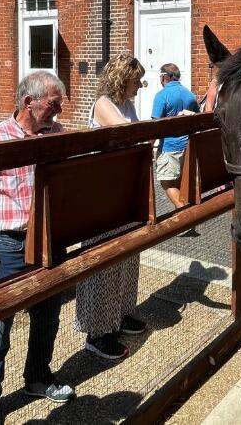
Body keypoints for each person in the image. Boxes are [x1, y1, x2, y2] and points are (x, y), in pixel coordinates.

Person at [0, 71, 74, 425]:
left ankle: (37, 378)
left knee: (47, 316)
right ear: (29, 102)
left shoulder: (57, 135)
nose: (57, 111)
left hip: (49, 240)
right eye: (53, 104)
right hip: (7, 245)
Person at [75, 52, 147, 360]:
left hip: (124, 190)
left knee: (128, 256)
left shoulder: (128, 104)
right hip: (101, 194)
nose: (140, 86)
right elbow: (130, 133)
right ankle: (97, 331)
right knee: (101, 262)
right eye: (136, 81)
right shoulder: (104, 104)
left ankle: (121, 313)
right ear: (122, 79)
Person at [151, 63, 200, 210]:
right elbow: (196, 119)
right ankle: (182, 213)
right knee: (178, 182)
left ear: (166, 77)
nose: (160, 81)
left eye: (161, 77)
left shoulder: (162, 95)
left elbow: (155, 126)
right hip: (187, 146)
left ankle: (185, 214)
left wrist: (149, 145)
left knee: (166, 182)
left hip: (169, 147)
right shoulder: (190, 95)